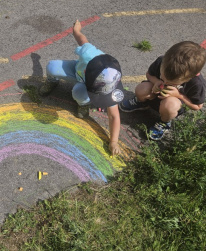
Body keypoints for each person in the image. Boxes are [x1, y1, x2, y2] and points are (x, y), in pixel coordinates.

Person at [39, 20, 124, 156]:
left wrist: (113, 141)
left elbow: (114, 115)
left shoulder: (111, 82)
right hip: (76, 72)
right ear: (87, 73)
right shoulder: (88, 54)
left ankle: (83, 104)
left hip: (83, 83)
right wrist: (76, 31)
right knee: (52, 66)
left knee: (79, 93)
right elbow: (83, 40)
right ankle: (52, 81)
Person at [119, 41, 206, 140]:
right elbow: (149, 74)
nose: (165, 82)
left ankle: (164, 122)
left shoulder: (197, 83)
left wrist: (179, 95)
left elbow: (198, 106)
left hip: (170, 106)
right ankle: (142, 103)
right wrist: (156, 81)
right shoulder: (162, 61)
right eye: (163, 77)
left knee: (170, 105)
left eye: (172, 83)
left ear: (189, 78)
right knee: (141, 89)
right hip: (153, 94)